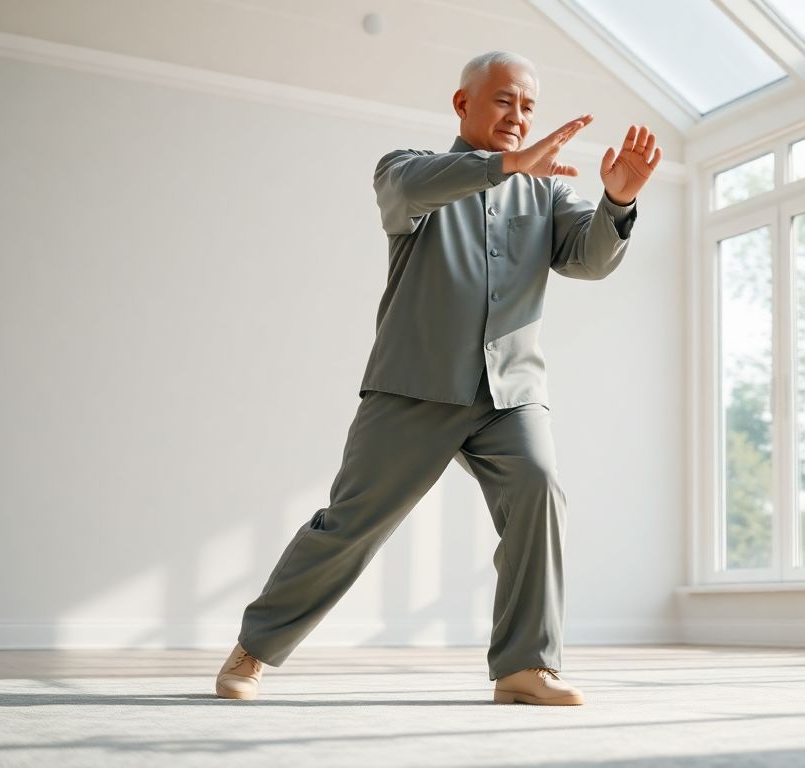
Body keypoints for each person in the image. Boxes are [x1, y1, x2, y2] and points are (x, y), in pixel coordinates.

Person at [213, 49, 661, 706]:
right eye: (504, 99)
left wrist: (618, 199)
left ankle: (525, 667)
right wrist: (506, 166)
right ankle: (252, 650)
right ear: (463, 103)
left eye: (529, 106)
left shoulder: (549, 192)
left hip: (510, 392)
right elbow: (411, 191)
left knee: (539, 489)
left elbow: (589, 260)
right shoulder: (407, 170)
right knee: (349, 524)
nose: (518, 115)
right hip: (413, 386)